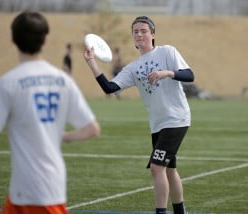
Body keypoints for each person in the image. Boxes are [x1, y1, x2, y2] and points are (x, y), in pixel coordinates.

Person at [0, 11, 100, 214]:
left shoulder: (7, 83)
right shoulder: (63, 80)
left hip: (28, 188)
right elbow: (92, 129)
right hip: (48, 185)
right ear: (44, 40)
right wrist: (64, 136)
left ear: (13, 39)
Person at [83, 16, 194, 214]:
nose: (139, 34)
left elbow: (189, 75)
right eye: (136, 31)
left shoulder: (167, 51)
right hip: (157, 123)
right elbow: (109, 88)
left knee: (156, 168)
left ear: (152, 34)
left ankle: (161, 212)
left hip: (176, 118)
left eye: (144, 30)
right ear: (133, 37)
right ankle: (180, 211)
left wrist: (166, 73)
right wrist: (92, 62)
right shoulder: (132, 68)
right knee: (169, 169)